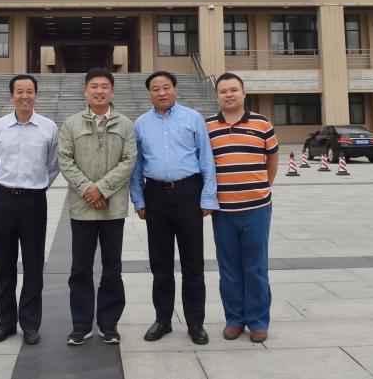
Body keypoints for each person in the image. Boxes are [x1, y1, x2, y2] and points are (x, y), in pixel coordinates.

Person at [129, 70, 218, 345]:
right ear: (149, 93)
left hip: (188, 193)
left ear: (175, 89)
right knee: (160, 264)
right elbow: (136, 166)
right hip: (155, 195)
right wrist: (138, 199)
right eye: (155, 88)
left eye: (166, 87)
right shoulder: (141, 124)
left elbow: (206, 159)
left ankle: (195, 323)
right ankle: (163, 320)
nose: (161, 92)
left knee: (193, 263)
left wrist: (207, 197)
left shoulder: (193, 118)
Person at [58, 67, 137, 346]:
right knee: (80, 268)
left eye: (104, 86)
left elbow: (129, 160)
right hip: (82, 208)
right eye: (94, 86)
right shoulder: (71, 124)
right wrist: (88, 190)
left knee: (112, 268)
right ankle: (81, 325)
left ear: (112, 91)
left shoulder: (125, 124)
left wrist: (101, 188)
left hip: (113, 208)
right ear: (85, 91)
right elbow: (65, 160)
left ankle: (108, 324)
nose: (99, 91)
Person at [0, 74, 59, 346]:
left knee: (33, 265)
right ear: (11, 95)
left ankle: (30, 324)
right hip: (3, 200)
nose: (24, 96)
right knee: (4, 266)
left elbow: (53, 166)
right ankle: (5, 324)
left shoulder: (48, 128)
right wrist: (7, 184)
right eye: (19, 91)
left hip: (34, 202)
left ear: (36, 95)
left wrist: (36, 187)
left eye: (29, 91)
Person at [205, 73, 278, 343]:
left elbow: (272, 158)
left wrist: (263, 187)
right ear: (217, 96)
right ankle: (234, 319)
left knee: (256, 267)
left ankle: (258, 321)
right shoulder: (207, 126)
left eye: (234, 90)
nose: (229, 94)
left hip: (256, 209)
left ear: (244, 93)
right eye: (223, 91)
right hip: (223, 211)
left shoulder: (262, 123)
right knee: (229, 268)